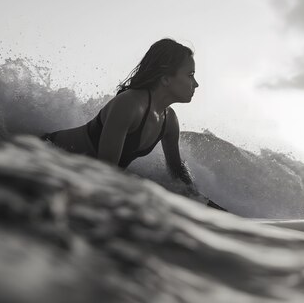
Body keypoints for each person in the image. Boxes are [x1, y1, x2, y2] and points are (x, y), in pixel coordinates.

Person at [42, 38, 225, 210]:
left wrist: (206, 205)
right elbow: (104, 171)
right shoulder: (129, 104)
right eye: (190, 75)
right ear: (166, 78)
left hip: (72, 170)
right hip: (46, 153)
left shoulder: (169, 120)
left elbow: (177, 173)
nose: (196, 84)